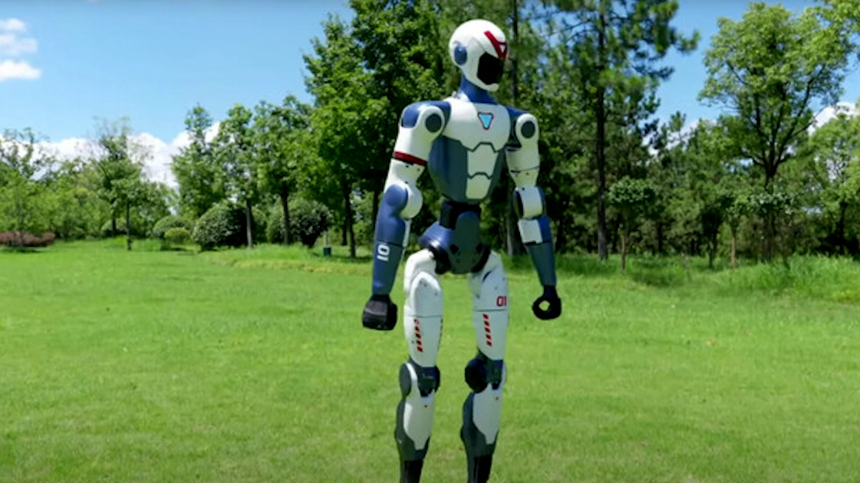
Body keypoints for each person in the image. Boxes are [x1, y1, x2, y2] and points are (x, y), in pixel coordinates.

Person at [361, 18, 562, 483]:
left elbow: (530, 204)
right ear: (463, 56)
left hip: (480, 254)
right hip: (437, 247)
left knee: (493, 377)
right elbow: (399, 195)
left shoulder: (516, 123)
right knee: (422, 380)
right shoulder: (434, 115)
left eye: (501, 60)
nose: (496, 66)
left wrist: (549, 283)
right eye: (489, 58)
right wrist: (379, 291)